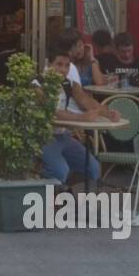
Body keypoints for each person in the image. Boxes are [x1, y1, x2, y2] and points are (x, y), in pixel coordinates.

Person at [41, 49, 102, 188]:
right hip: (44, 137)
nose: (63, 70)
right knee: (60, 170)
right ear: (49, 64)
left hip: (64, 135)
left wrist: (109, 113)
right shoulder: (38, 84)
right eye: (59, 64)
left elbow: (86, 101)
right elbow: (52, 112)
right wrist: (82, 118)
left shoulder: (68, 84)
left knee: (93, 169)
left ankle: (63, 189)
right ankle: (51, 194)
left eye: (67, 65)